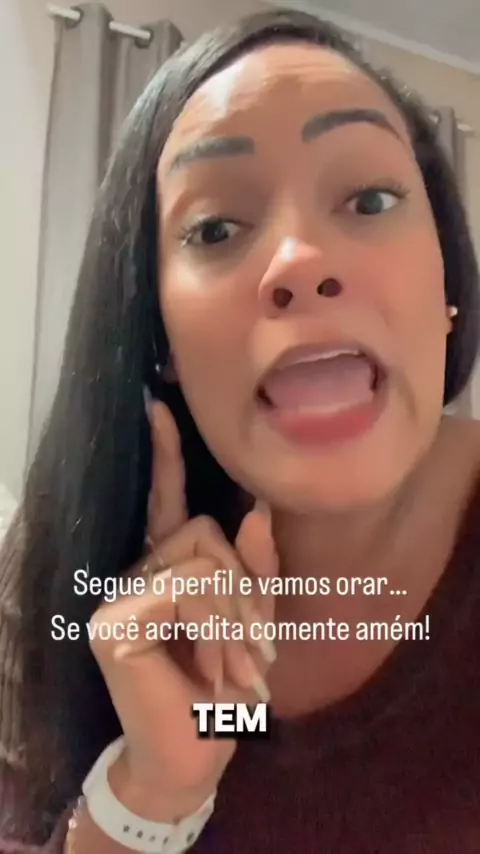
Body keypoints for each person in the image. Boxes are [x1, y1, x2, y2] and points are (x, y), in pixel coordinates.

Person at [1, 6, 480, 853]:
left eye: (370, 199)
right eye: (216, 228)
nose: (300, 259)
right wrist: (153, 790)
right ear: (160, 336)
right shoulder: (55, 577)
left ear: (446, 283)